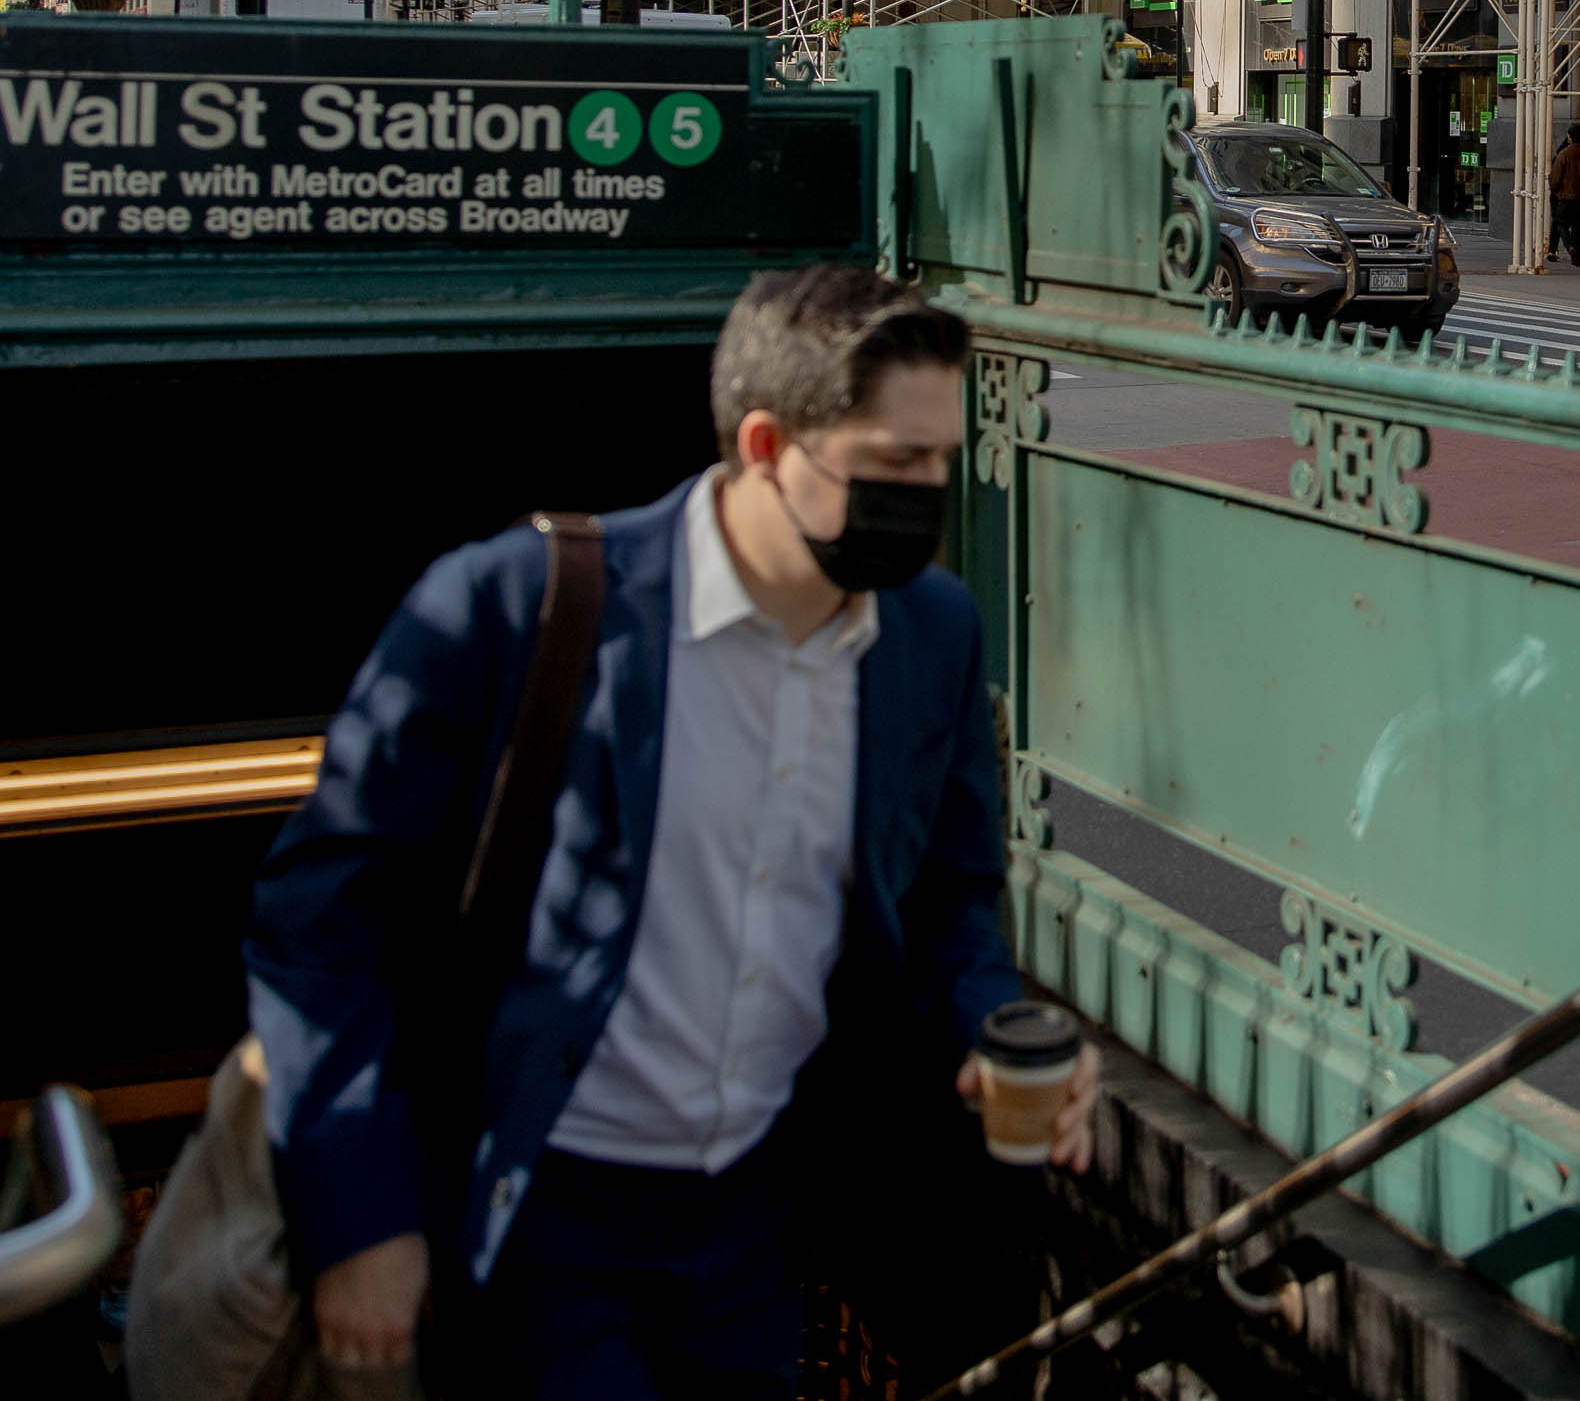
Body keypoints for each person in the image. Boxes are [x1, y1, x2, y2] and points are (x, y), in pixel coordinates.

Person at [249, 266, 1098, 1396]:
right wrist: (359, 1216)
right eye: (893, 460)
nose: (928, 490)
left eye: (941, 457)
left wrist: (994, 1030)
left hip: (761, 1218)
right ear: (763, 445)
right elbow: (321, 921)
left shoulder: (931, 635)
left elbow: (947, 900)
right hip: (547, 1209)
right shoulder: (511, 607)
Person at [1547, 131, 1580, 267]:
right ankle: (1576, 256)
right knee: (1578, 227)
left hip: (1566, 196)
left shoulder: (1563, 154)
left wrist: (1555, 189)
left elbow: (1555, 179)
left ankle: (1569, 246)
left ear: (1569, 137)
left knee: (1560, 222)